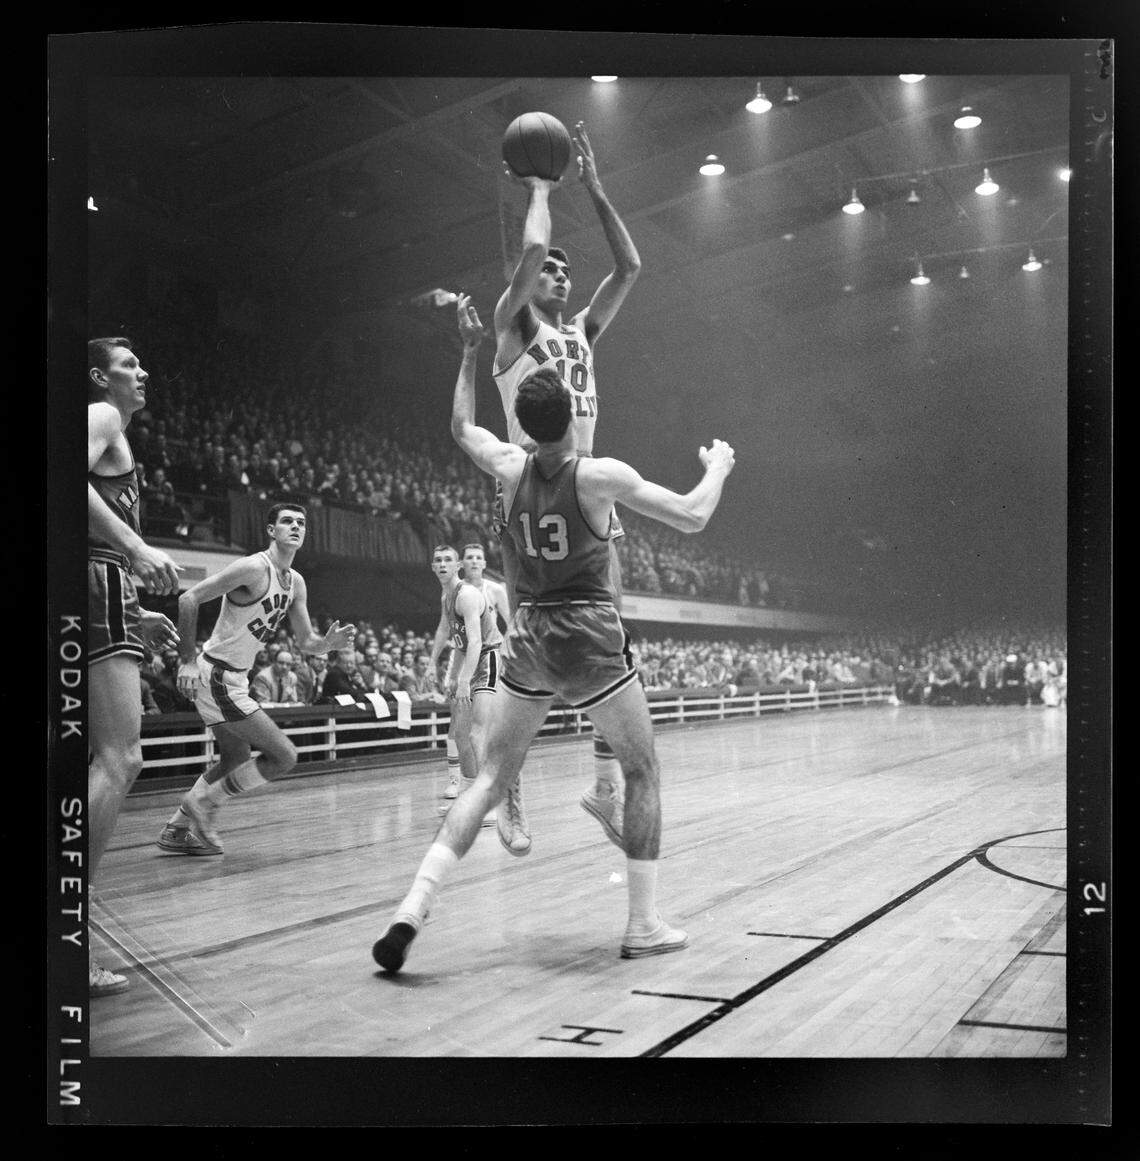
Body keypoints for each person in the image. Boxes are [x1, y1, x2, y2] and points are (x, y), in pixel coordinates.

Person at [370, 297, 734, 972]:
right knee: (642, 768)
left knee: (488, 779)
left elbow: (459, 427)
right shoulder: (597, 475)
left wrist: (470, 351)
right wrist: (718, 466)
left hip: (530, 635)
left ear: (531, 421)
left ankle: (412, 907)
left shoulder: (507, 467)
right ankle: (643, 923)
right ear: (573, 412)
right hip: (589, 633)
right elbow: (691, 516)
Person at [492, 122, 641, 848]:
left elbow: (631, 267)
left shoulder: (581, 332)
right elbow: (525, 253)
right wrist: (543, 190)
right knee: (528, 640)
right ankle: (506, 785)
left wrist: (599, 190)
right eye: (549, 268)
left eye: (562, 269)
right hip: (528, 486)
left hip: (582, 492)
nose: (556, 273)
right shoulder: (516, 328)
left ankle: (605, 787)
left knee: (611, 636)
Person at [156, 503, 354, 855]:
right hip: (216, 675)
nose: (295, 526)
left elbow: (306, 642)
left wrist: (328, 645)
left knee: (235, 758)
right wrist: (186, 661)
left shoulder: (295, 582)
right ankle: (206, 803)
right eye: (287, 521)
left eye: (301, 523)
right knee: (284, 756)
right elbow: (189, 598)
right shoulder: (252, 567)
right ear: (271, 530)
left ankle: (176, 828)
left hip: (233, 679)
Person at [88, 337, 183, 996]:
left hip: (103, 582)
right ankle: (70, 914)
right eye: (128, 364)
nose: (141, 370)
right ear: (99, 377)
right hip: (97, 579)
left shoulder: (116, 432)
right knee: (121, 757)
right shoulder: (101, 416)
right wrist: (133, 546)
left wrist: (137, 607)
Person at [427, 544, 505, 835]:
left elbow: (475, 642)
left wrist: (462, 680)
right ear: (433, 567)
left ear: (457, 565)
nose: (443, 564)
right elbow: (457, 641)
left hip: (487, 658)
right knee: (460, 734)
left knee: (477, 732)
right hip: (468, 659)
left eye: (448, 559)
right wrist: (450, 673)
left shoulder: (468, 595)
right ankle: (469, 797)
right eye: (438, 560)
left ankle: (489, 805)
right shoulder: (446, 596)